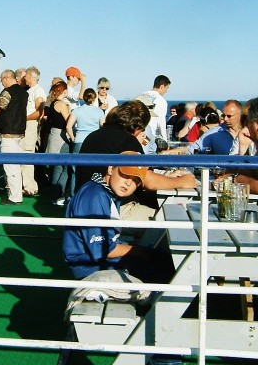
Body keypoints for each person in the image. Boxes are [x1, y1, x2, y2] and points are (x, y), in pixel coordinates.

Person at [76, 100, 197, 218]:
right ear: (138, 128)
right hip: (110, 207)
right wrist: (183, 181)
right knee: (170, 217)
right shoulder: (127, 140)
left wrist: (166, 177)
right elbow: (148, 181)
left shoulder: (94, 136)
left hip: (84, 202)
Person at [63, 152, 156, 280]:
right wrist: (138, 251)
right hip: (88, 267)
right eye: (125, 175)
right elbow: (103, 249)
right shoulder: (95, 196)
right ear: (111, 169)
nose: (129, 183)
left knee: (157, 256)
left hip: (96, 259)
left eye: (135, 180)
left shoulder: (103, 191)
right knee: (157, 270)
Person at [0, 69, 29, 205]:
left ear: (5, 78)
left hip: (9, 135)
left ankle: (15, 197)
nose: (2, 83)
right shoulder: (24, 93)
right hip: (21, 133)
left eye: (1, 80)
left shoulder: (7, 92)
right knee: (16, 166)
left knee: (10, 167)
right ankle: (16, 194)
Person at [66, 88, 105, 195]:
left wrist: (73, 138)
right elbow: (103, 126)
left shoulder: (77, 111)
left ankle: (74, 196)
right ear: (94, 98)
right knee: (94, 170)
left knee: (75, 172)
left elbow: (69, 126)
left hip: (79, 141)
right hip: (94, 142)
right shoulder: (99, 111)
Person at [21, 66, 47, 196]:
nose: (24, 78)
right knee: (26, 154)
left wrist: (24, 118)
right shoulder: (31, 90)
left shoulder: (38, 90)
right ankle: (29, 185)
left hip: (30, 125)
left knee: (27, 154)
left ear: (30, 76)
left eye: (25, 76)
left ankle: (30, 187)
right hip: (28, 125)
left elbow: (39, 111)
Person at [46, 80, 72, 205]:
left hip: (54, 134)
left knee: (57, 167)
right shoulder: (62, 105)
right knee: (66, 167)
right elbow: (69, 121)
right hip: (61, 137)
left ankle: (54, 195)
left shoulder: (53, 103)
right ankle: (59, 194)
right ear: (65, 91)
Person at [140, 75, 171, 141]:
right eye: (167, 88)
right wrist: (165, 141)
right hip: (147, 135)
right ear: (162, 86)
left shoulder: (140, 96)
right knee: (149, 150)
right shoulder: (161, 100)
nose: (166, 91)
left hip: (135, 133)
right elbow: (161, 123)